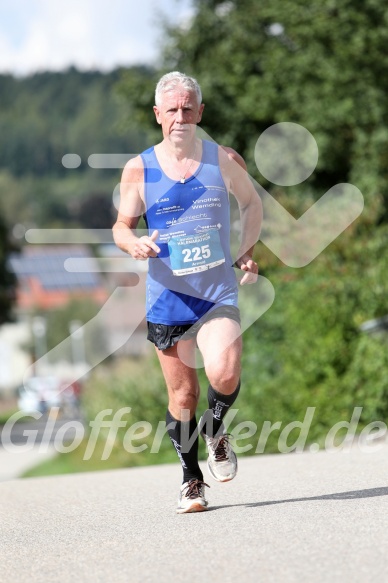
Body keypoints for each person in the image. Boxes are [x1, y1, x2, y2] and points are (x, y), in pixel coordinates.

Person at [113, 71, 262, 513]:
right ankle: (191, 479)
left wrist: (247, 250)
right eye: (171, 109)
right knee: (183, 397)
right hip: (168, 298)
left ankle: (216, 433)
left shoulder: (225, 159)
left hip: (216, 291)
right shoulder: (139, 168)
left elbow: (251, 203)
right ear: (158, 115)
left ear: (200, 112)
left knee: (226, 371)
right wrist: (133, 241)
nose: (180, 117)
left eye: (187, 108)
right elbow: (121, 226)